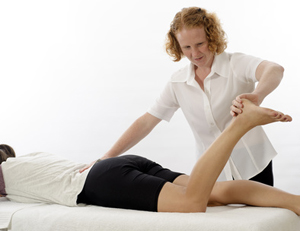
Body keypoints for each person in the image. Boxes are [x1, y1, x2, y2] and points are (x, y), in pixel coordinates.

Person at [80, 7, 285, 186]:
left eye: (200, 43)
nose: (195, 53)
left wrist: (257, 95)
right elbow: (147, 122)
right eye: (186, 47)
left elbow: (274, 69)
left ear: (212, 37)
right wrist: (106, 157)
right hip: (212, 172)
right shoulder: (178, 83)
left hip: (253, 162)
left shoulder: (236, 64)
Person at [0, 100, 296, 214]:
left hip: (99, 180)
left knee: (191, 203)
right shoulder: (27, 159)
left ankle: (241, 123)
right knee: (212, 193)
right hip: (113, 167)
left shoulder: (7, 176)